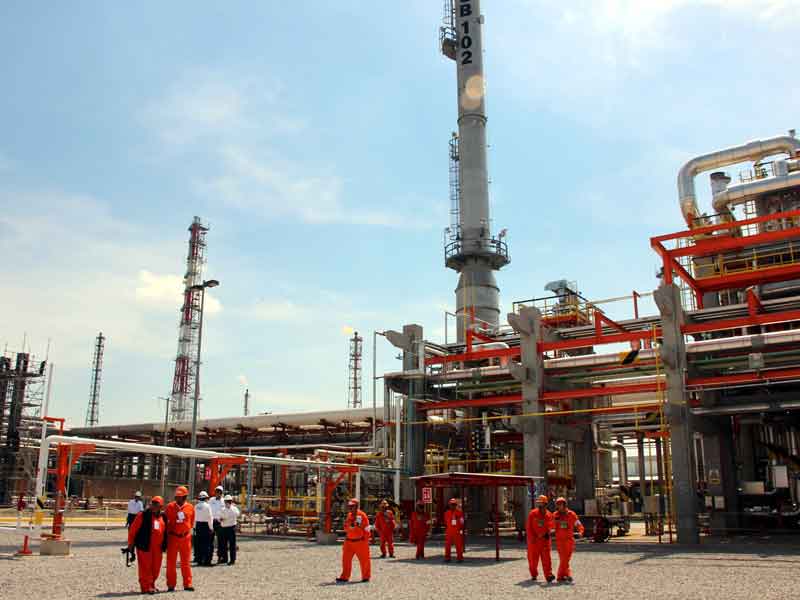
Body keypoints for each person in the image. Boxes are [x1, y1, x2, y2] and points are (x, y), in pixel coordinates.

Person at [127, 496, 166, 595]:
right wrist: (130, 544)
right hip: (145, 546)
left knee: (156, 568)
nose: (154, 506)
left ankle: (151, 584)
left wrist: (165, 545)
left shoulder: (163, 517)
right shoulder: (143, 515)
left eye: (156, 504)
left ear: (161, 506)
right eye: (153, 503)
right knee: (145, 567)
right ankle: (145, 587)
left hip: (158, 548)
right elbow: (133, 530)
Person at [164, 486, 195, 592]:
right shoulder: (169, 507)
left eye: (179, 496)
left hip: (185, 538)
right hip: (172, 537)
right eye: (176, 496)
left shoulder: (190, 507)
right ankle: (171, 584)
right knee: (171, 563)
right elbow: (164, 522)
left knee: (185, 562)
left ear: (185, 497)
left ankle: (188, 584)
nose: (177, 498)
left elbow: (191, 522)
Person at [336, 498, 371, 583]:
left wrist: (365, 541)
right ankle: (344, 577)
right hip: (349, 542)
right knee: (346, 560)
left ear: (357, 506)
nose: (350, 508)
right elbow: (346, 527)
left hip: (360, 542)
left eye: (352, 506)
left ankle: (366, 577)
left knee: (364, 560)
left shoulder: (362, 515)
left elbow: (366, 529)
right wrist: (348, 528)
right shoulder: (349, 515)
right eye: (349, 506)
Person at [553, 497, 584, 583]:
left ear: (564, 505)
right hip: (559, 541)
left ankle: (563, 575)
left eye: (561, 504)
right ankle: (564, 575)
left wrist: (581, 532)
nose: (559, 506)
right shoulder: (555, 515)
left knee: (566, 558)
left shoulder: (571, 514)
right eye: (558, 504)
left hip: (569, 540)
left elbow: (578, 524)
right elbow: (551, 525)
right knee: (563, 559)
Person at [526, 495, 555, 583]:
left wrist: (548, 533)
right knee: (533, 560)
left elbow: (552, 526)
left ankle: (548, 575)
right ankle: (534, 574)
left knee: (547, 560)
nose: (540, 505)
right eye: (539, 503)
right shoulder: (533, 514)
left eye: (542, 503)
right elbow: (528, 528)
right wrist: (532, 538)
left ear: (546, 504)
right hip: (534, 542)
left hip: (545, 541)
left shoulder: (549, 515)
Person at [218, 495, 240, 565]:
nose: (227, 502)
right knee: (228, 544)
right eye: (228, 501)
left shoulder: (223, 509)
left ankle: (229, 559)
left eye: (228, 501)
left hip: (227, 528)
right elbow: (237, 514)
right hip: (229, 528)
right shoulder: (234, 509)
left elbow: (220, 518)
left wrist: (224, 518)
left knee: (228, 545)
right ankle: (229, 559)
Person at [194, 491, 214, 566]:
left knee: (199, 543)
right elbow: (210, 517)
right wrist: (211, 527)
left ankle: (199, 560)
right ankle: (207, 561)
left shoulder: (196, 506)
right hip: (205, 526)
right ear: (206, 498)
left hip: (198, 525)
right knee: (207, 544)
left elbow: (194, 518)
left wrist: (194, 527)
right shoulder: (207, 506)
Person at [443, 498, 465, 562]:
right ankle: (447, 558)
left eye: (454, 504)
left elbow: (462, 522)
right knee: (447, 545)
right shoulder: (446, 513)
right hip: (449, 531)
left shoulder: (459, 513)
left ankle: (460, 558)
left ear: (456, 505)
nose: (453, 506)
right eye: (452, 504)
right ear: (449, 505)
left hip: (457, 531)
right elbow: (445, 522)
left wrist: (460, 529)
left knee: (458, 545)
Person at [208, 485, 224, 563]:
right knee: (210, 540)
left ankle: (220, 557)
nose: (217, 493)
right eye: (216, 491)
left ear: (221, 493)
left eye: (219, 492)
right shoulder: (211, 500)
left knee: (220, 540)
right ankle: (209, 557)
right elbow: (208, 509)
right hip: (212, 522)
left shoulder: (224, 501)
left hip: (220, 522)